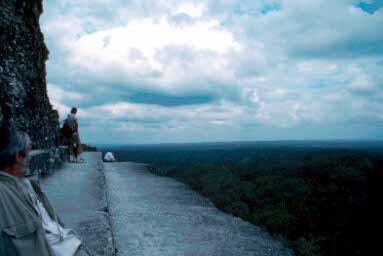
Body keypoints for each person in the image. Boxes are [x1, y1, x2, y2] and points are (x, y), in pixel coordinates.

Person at [0, 125, 87, 256]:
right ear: (18, 156)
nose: (30, 158)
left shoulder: (28, 184)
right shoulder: (4, 194)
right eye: (28, 152)